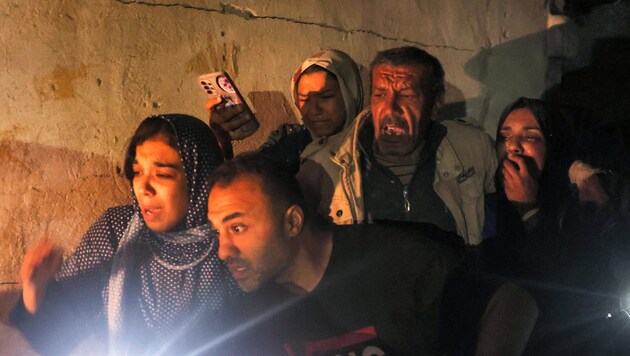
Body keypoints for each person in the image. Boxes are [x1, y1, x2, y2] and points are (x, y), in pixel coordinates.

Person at [10, 114, 240, 354]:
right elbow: (59, 329)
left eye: (162, 175)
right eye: (137, 172)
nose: (143, 188)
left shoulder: (230, 242)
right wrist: (35, 289)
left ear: (199, 177)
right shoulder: (117, 230)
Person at [205, 153, 461, 355]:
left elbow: (491, 305)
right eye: (218, 232)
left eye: (237, 228)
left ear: (292, 222)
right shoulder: (247, 312)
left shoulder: (403, 263)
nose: (223, 251)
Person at [297, 46, 497, 245]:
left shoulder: (473, 149)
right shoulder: (321, 165)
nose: (390, 108)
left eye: (406, 95)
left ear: (435, 104)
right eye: (380, 94)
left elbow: (508, 220)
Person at [206, 49, 363, 174]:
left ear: (351, 94)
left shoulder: (372, 146)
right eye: (304, 99)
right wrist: (222, 143)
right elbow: (250, 182)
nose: (314, 110)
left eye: (326, 96)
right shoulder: (288, 141)